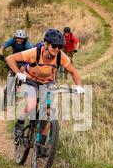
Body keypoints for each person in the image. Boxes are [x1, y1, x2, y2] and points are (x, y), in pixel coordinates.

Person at [6, 29, 85, 157]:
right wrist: (19, 73)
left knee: (48, 116)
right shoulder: (34, 53)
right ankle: (20, 124)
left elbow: (73, 72)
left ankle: (41, 146)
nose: (56, 49)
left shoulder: (61, 56)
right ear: (47, 44)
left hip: (47, 83)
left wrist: (79, 86)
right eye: (54, 45)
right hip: (30, 80)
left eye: (59, 46)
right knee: (31, 104)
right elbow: (10, 59)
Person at [0, 30, 33, 110]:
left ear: (24, 39)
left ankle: (19, 87)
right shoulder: (12, 40)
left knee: (22, 74)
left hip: (24, 61)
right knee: (10, 71)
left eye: (21, 39)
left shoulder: (27, 44)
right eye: (18, 38)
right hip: (14, 60)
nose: (19, 40)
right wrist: (1, 54)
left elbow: (32, 53)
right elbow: (2, 47)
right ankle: (6, 99)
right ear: (15, 37)